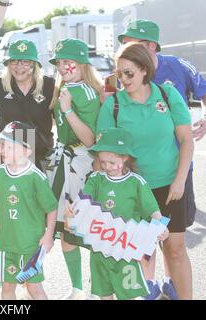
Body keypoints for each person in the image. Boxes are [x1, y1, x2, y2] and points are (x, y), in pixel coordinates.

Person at [97, 42, 194, 300]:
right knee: (138, 254)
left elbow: (186, 140)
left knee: (175, 249)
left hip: (169, 186)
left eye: (129, 73)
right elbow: (103, 153)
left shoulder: (167, 95)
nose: (124, 79)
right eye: (119, 74)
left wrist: (180, 180)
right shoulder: (113, 105)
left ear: (144, 70)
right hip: (132, 190)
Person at [118, 19, 206, 298]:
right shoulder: (121, 73)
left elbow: (203, 88)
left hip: (176, 170)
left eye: (130, 42)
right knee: (144, 242)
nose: (125, 47)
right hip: (137, 176)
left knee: (173, 243)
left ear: (150, 45)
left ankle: (172, 284)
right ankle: (151, 286)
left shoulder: (177, 66)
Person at [66, 127, 169, 300]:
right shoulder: (96, 179)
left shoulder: (136, 182)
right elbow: (80, 204)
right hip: (100, 250)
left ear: (125, 158)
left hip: (125, 252)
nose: (107, 167)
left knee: (129, 296)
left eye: (112, 163)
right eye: (103, 162)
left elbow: (152, 209)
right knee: (103, 295)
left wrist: (160, 227)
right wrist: (71, 212)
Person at [0, 121, 57, 300]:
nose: (3, 150)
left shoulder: (36, 178)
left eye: (10, 147)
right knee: (7, 288)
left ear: (27, 151)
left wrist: (48, 236)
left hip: (30, 245)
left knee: (34, 287)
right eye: (2, 145)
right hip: (6, 244)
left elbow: (52, 208)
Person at [46, 38, 103, 300]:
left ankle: (96, 290)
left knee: (88, 233)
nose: (62, 67)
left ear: (82, 64)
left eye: (68, 61)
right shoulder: (64, 88)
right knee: (67, 235)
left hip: (83, 165)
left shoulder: (86, 92)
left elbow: (90, 140)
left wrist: (68, 111)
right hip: (65, 163)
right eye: (59, 62)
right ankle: (77, 289)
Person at [0, 39, 55, 171]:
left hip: (40, 155)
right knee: (0, 191)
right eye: (14, 61)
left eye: (25, 61)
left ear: (34, 64)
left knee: (40, 191)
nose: (19, 66)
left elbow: (62, 119)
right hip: (5, 154)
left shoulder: (49, 86)